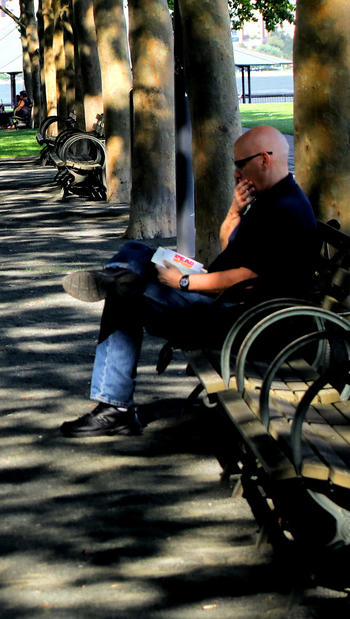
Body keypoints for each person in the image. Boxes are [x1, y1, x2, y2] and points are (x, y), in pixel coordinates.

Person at [57, 125, 318, 437]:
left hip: (239, 320)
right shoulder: (272, 199)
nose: (235, 174)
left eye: (240, 165)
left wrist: (182, 283)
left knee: (127, 294)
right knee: (137, 250)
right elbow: (232, 251)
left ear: (264, 159)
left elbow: (246, 277)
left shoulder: (285, 211)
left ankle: (115, 407)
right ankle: (114, 276)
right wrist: (235, 212)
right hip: (226, 299)